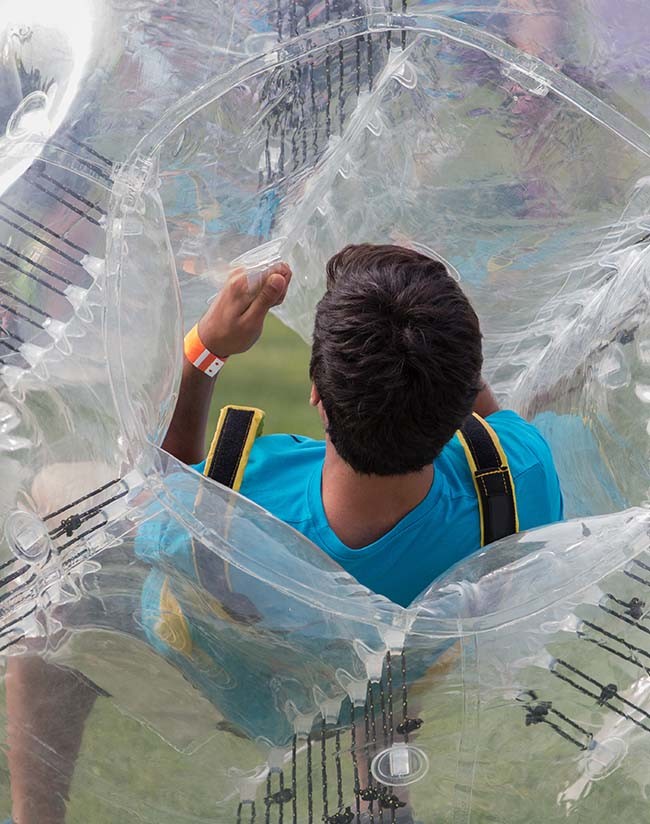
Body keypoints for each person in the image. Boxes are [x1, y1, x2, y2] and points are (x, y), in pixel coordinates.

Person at [164, 243, 563, 608]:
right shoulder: (524, 478)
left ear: (316, 391)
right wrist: (444, 331)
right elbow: (487, 418)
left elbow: (156, 494)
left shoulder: (236, 502)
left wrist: (204, 352)